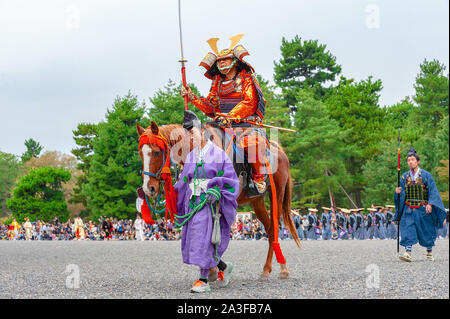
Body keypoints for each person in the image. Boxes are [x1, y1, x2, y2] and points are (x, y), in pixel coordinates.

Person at [180, 34, 269, 197]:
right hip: (221, 125)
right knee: (199, 140)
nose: (221, 63)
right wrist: (192, 98)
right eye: (219, 61)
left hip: (245, 124)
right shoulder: (217, 82)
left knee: (250, 143)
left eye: (225, 59)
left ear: (235, 61)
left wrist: (230, 116)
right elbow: (211, 105)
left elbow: (249, 103)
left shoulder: (246, 79)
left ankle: (258, 178)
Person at [174, 125, 240, 293]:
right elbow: (182, 183)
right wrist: (168, 192)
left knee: (203, 237)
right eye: (187, 135)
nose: (190, 137)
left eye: (192, 133)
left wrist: (217, 190)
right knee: (196, 238)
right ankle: (223, 266)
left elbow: (230, 179)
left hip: (209, 203)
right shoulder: (190, 156)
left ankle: (203, 280)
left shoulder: (219, 154)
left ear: (202, 132)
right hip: (193, 201)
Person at [394, 148, 446, 262]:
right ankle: (408, 252)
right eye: (408, 160)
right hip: (409, 208)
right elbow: (401, 194)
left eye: (412, 159)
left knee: (426, 230)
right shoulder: (404, 177)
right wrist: (398, 192)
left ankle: (429, 251)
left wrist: (431, 204)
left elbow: (433, 191)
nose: (410, 162)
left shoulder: (426, 176)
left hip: (423, 208)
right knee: (408, 228)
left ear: (418, 161)